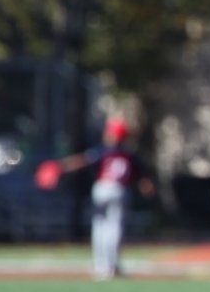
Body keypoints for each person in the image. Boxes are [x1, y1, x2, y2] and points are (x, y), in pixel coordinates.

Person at [42, 118, 154, 279]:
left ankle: (102, 265)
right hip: (120, 190)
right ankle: (112, 265)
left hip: (103, 188)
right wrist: (147, 188)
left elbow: (82, 160)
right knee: (114, 228)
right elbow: (143, 177)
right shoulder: (129, 154)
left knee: (100, 227)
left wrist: (61, 166)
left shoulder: (104, 150)